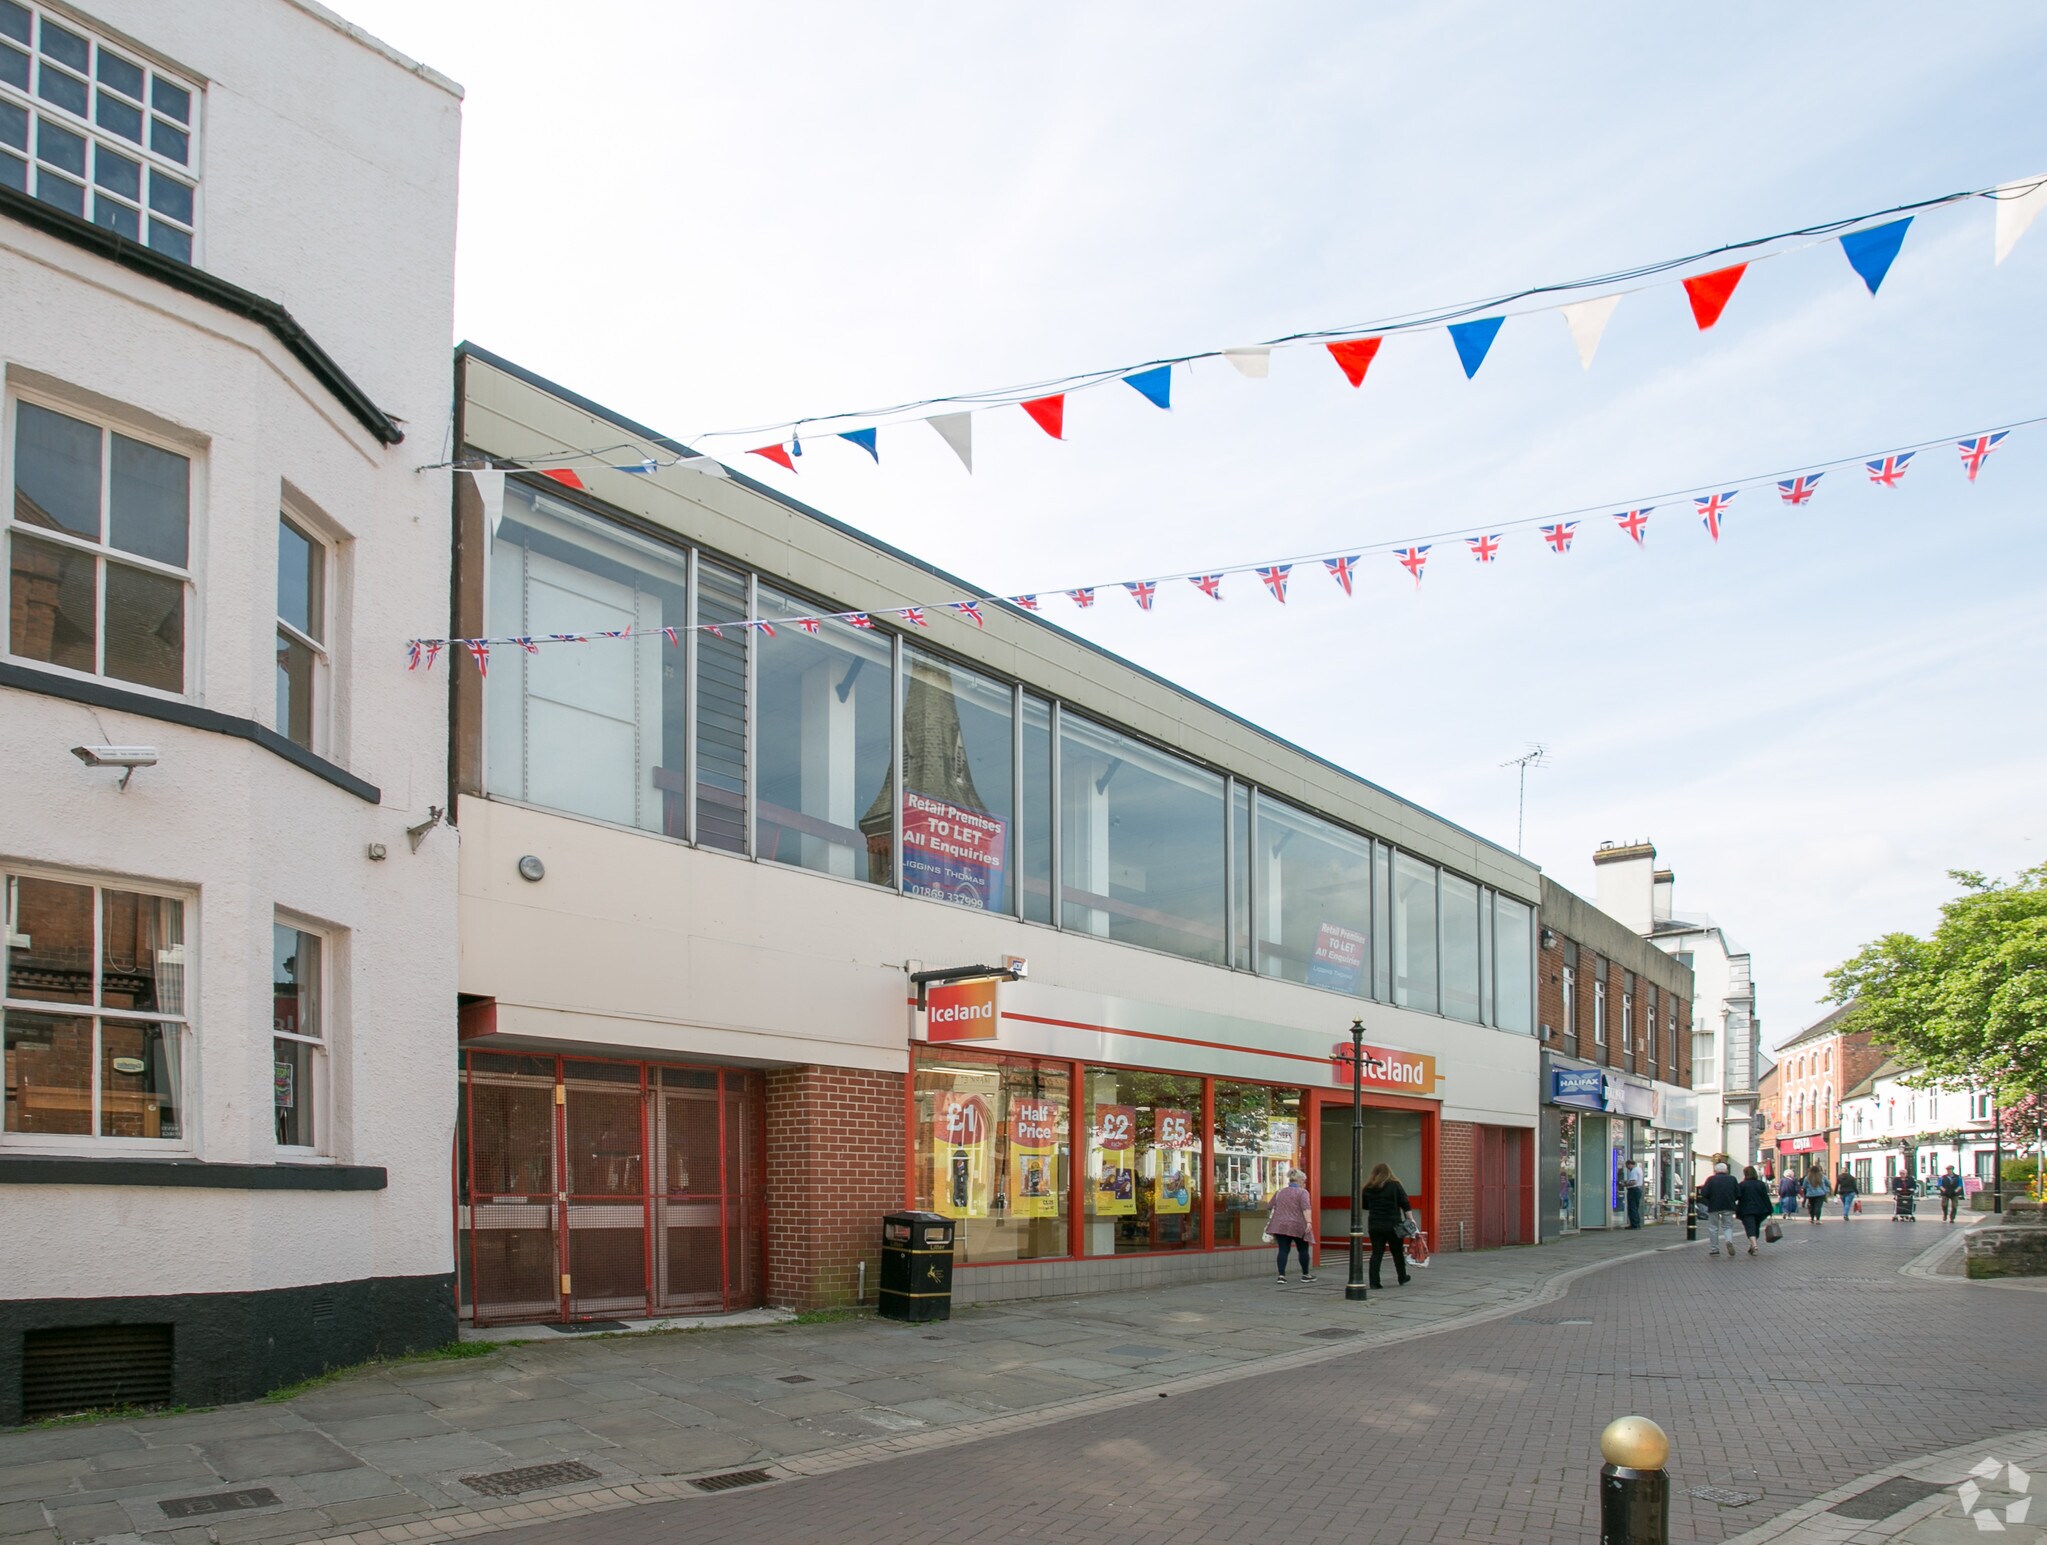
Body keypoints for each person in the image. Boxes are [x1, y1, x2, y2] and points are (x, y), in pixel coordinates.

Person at [1363, 1162, 1413, 1289]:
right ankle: (1402, 1276)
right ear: (1389, 1172)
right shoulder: (1395, 1185)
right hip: (1393, 1224)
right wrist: (1410, 1219)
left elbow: (1365, 1205)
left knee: (1377, 1253)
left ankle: (1374, 1282)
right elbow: (1405, 1203)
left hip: (1375, 1224)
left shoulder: (1368, 1188)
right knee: (1397, 1252)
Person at [1268, 1167, 1317, 1283]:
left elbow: (1270, 1206)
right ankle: (1306, 1274)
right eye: (1304, 1181)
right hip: (1298, 1225)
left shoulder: (1279, 1192)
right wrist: (1309, 1222)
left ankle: (1281, 1276)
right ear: (1300, 1181)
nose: (1304, 1184)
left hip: (1281, 1225)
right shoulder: (1302, 1192)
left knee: (1283, 1250)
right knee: (1303, 1250)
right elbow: (1306, 1208)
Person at [1700, 1160, 1741, 1258]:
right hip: (1728, 1205)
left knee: (1713, 1227)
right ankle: (1729, 1241)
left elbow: (1704, 1193)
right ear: (1726, 1170)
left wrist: (1710, 1199)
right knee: (1727, 1226)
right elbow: (1738, 1194)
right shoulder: (1732, 1179)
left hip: (1714, 1206)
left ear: (1715, 1171)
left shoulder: (1710, 1179)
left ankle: (1715, 1249)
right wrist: (1732, 1199)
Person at [1735, 1165, 1775, 1257]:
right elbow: (1765, 1197)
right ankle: (1753, 1245)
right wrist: (1770, 1209)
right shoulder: (1761, 1184)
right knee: (1755, 1227)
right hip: (1760, 1210)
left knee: (1750, 1227)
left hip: (1746, 1209)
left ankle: (1754, 1245)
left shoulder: (1742, 1185)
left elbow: (1737, 1196)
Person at [1624, 1158, 1645, 1229]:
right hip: (1638, 1189)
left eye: (1627, 1166)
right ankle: (1637, 1224)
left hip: (1633, 1190)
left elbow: (1633, 1182)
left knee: (1632, 1207)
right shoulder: (1639, 1169)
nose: (1627, 1168)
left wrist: (1625, 1184)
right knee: (1635, 1207)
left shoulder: (1634, 1171)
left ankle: (1634, 1224)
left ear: (1629, 1164)